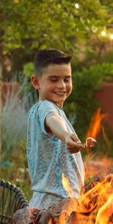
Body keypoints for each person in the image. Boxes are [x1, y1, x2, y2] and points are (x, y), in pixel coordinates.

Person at [27, 48, 95, 209]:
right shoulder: (45, 108)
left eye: (66, 79)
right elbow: (52, 120)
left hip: (58, 200)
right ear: (36, 82)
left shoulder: (51, 110)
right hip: (55, 203)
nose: (62, 85)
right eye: (54, 79)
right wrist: (65, 135)